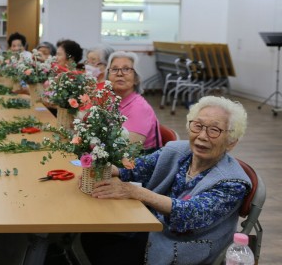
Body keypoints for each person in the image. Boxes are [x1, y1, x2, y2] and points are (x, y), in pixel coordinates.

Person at [83, 96, 251, 265]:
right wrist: (108, 169)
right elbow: (137, 169)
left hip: (183, 249)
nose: (202, 136)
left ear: (231, 142)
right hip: (150, 228)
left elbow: (190, 213)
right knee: (90, 236)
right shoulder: (176, 150)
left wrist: (136, 192)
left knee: (102, 251)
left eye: (214, 130)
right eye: (198, 126)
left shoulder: (233, 183)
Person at [107, 51, 161, 151]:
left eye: (126, 69)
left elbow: (125, 151)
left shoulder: (140, 108)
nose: (119, 74)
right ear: (108, 77)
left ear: (136, 79)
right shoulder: (110, 101)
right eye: (114, 69)